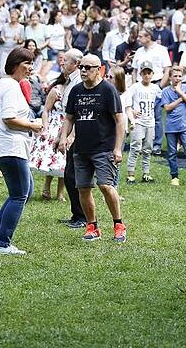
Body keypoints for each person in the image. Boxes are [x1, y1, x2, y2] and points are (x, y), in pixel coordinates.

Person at [57, 54, 127, 242]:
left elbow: (120, 120)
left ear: (99, 69)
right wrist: (63, 138)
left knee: (105, 185)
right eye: (81, 67)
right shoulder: (76, 91)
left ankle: (118, 224)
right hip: (81, 149)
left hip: (104, 147)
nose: (83, 71)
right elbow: (70, 118)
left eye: (88, 67)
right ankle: (92, 227)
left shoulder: (107, 90)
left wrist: (118, 148)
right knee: (83, 188)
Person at [0, 48, 43, 255]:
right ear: (16, 64)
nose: (31, 68)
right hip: (8, 145)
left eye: (32, 64)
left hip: (6, 145)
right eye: (27, 64)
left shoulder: (8, 84)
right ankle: (2, 244)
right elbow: (9, 119)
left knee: (26, 191)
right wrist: (32, 126)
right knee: (19, 194)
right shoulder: (10, 87)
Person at [54, 49, 87, 228]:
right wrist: (60, 136)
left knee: (74, 175)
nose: (62, 63)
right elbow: (68, 115)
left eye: (65, 60)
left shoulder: (77, 83)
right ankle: (76, 214)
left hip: (79, 136)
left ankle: (82, 217)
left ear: (75, 64)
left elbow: (78, 115)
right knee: (68, 175)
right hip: (70, 133)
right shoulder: (70, 81)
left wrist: (70, 136)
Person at [132, 29, 171, 155]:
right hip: (140, 85)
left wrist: (160, 86)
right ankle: (141, 143)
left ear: (148, 37)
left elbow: (167, 69)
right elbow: (134, 71)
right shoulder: (139, 51)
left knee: (157, 116)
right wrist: (134, 86)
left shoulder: (161, 50)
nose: (138, 38)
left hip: (155, 83)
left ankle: (157, 144)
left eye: (141, 36)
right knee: (139, 115)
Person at [31, 72, 67, 201]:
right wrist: (45, 128)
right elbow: (45, 110)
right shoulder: (56, 91)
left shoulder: (75, 91)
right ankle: (46, 187)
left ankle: (60, 192)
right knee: (52, 157)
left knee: (63, 160)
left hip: (67, 126)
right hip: (54, 124)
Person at [125, 61, 161, 184]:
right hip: (139, 122)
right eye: (144, 73)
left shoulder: (155, 88)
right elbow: (127, 102)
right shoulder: (135, 87)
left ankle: (146, 173)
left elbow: (163, 98)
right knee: (135, 147)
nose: (146, 76)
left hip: (150, 121)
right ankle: (130, 173)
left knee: (148, 148)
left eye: (149, 73)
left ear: (152, 74)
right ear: (140, 74)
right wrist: (132, 112)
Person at [0, 10, 24, 78]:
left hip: (15, 51)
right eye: (11, 14)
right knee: (2, 69)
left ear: (18, 16)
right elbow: (1, 38)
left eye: (15, 14)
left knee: (14, 68)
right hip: (5, 50)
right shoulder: (5, 26)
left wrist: (18, 40)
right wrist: (2, 39)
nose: (13, 16)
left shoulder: (21, 27)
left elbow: (22, 40)